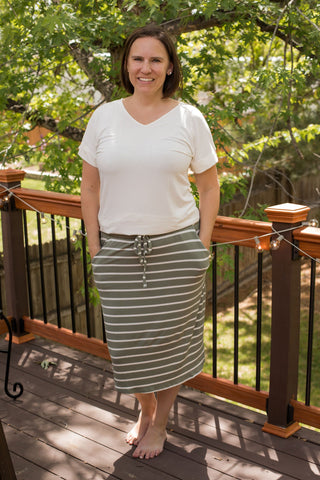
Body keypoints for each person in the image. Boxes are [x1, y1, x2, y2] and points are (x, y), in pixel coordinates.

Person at [79, 24, 220, 460]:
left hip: (176, 249)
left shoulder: (189, 118)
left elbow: (210, 187)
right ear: (127, 65)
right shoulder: (103, 117)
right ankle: (144, 406)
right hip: (118, 251)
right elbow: (89, 188)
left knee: (171, 342)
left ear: (170, 67)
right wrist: (94, 246)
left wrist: (202, 243)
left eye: (156, 59)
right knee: (127, 344)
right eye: (138, 59)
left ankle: (159, 422)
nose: (146, 67)